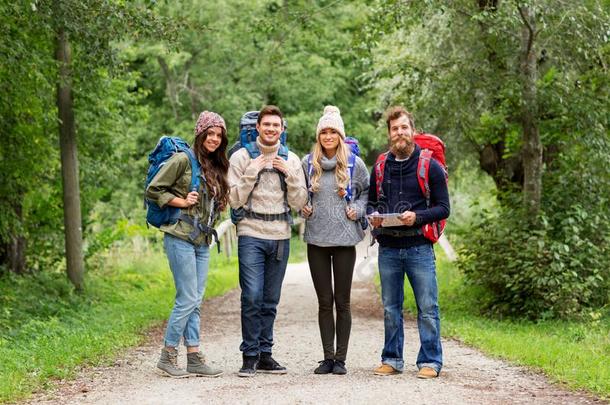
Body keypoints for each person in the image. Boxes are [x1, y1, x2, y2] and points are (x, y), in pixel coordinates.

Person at [368, 106, 450, 379]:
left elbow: (443, 208)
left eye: (404, 127)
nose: (399, 133)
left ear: (412, 131)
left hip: (419, 248)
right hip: (388, 249)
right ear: (389, 134)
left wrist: (417, 217)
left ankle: (430, 361)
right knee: (391, 308)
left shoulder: (430, 166)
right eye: (395, 129)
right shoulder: (380, 166)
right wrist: (375, 218)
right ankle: (391, 359)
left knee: (427, 307)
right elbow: (370, 203)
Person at [146, 111, 229, 378]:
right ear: (200, 133)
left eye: (219, 135)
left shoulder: (215, 165)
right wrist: (181, 201)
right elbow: (154, 189)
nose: (214, 139)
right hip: (179, 236)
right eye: (210, 134)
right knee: (187, 298)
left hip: (201, 240)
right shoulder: (183, 160)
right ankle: (167, 355)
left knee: (196, 300)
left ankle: (194, 356)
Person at [228, 105, 308, 377]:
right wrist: (253, 170)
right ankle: (249, 355)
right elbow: (233, 199)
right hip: (250, 231)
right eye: (267, 125)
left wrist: (291, 176)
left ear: (282, 129)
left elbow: (300, 203)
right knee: (252, 296)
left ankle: (265, 355)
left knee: (270, 299)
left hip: (280, 235)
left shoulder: (292, 159)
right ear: (258, 128)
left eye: (276, 125)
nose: (271, 129)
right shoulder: (241, 157)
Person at [300, 106, 369, 375]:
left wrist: (359, 210)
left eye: (333, 132)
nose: (328, 136)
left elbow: (366, 195)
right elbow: (298, 196)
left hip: (344, 241)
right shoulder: (309, 164)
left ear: (340, 135)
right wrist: (303, 207)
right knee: (324, 301)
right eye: (324, 132)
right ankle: (327, 357)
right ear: (319, 136)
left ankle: (341, 360)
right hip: (316, 240)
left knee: (343, 301)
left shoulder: (354, 163)